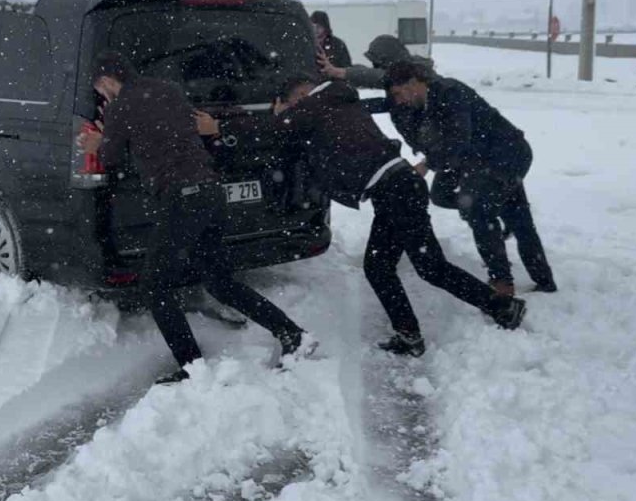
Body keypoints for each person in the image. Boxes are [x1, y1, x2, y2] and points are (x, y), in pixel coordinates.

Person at [196, 76, 527, 358]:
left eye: (290, 103)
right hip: (392, 190)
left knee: (430, 266)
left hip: (396, 189)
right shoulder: (330, 106)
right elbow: (283, 136)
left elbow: (274, 126)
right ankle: (409, 336)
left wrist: (219, 127)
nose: (291, 110)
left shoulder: (319, 102)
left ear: (300, 95)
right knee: (380, 267)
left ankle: (501, 307)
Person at [77, 52, 311, 384]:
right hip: (209, 191)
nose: (102, 96)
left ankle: (192, 368)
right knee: (219, 282)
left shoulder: (121, 105)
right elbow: (167, 134)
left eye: (101, 90)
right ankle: (293, 334)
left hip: (181, 197)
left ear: (106, 81)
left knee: (155, 286)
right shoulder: (168, 90)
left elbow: (110, 158)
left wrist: (98, 141)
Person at [368, 61, 557, 298]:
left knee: (481, 210)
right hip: (471, 161)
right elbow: (381, 104)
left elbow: (459, 139)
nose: (397, 100)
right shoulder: (413, 98)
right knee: (442, 195)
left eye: (398, 93)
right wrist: (344, 105)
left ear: (414, 83)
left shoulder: (450, 92)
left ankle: (504, 283)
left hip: (505, 154)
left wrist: (426, 165)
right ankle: (537, 272)